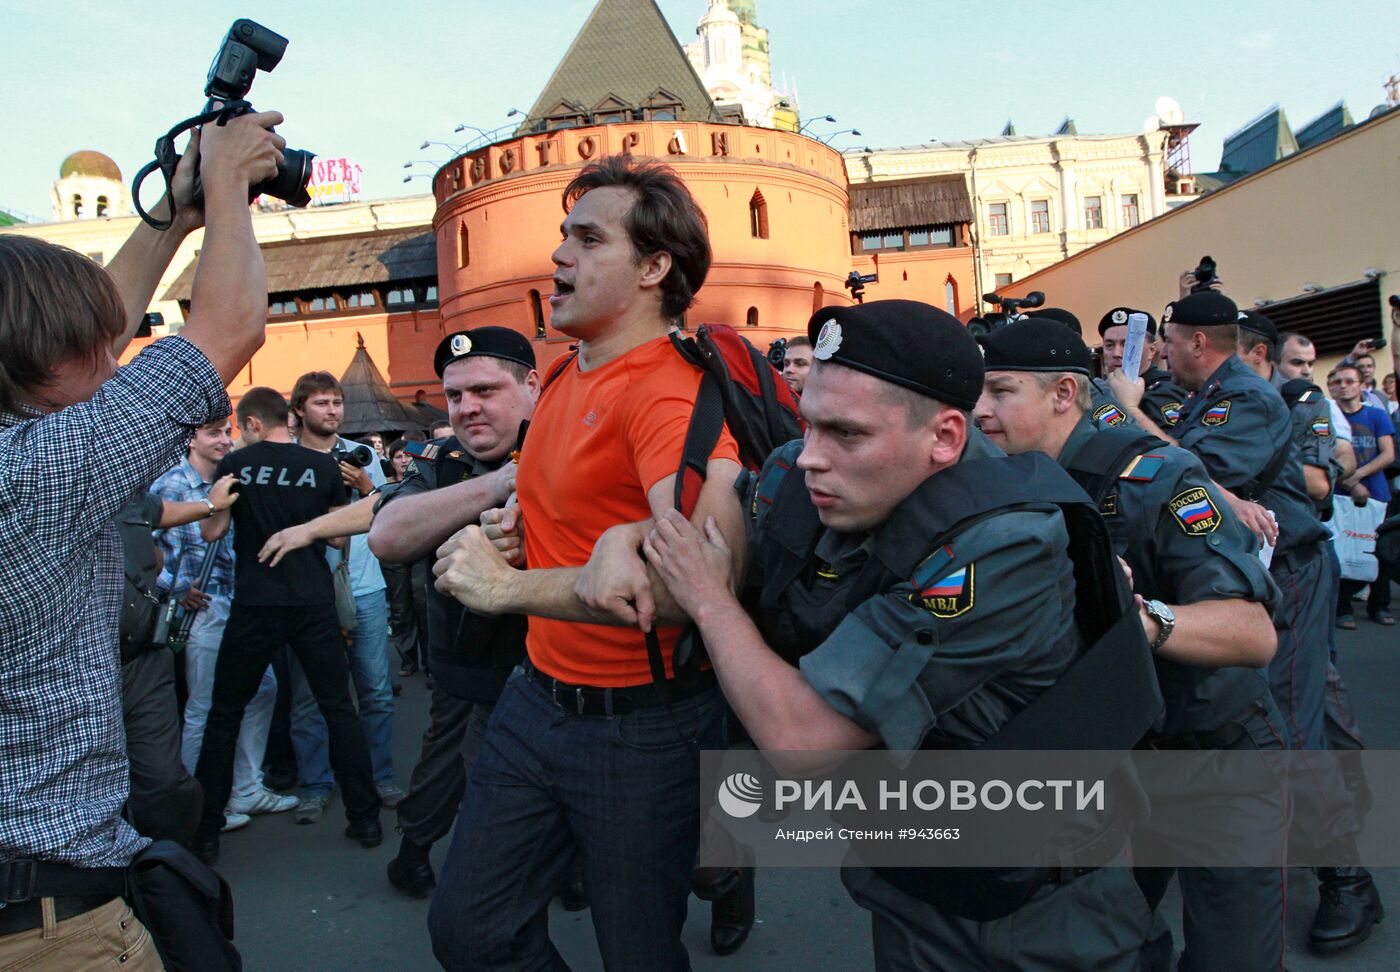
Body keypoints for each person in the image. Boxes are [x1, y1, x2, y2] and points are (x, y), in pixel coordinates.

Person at [639, 300, 1155, 970]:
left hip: (1037, 907)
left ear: (943, 438)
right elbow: (704, 512)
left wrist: (709, 602)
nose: (809, 460)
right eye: (810, 423)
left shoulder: (1007, 543)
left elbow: (805, 741)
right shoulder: (804, 478)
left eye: (846, 435)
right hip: (912, 878)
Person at [427, 155, 745, 972]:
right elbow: (571, 515)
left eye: (587, 237)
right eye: (563, 234)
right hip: (533, 704)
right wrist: (519, 536)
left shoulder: (667, 395)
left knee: (638, 954)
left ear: (652, 267)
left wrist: (506, 587)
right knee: (470, 931)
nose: (558, 255)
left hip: (640, 729)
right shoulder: (569, 371)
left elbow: (698, 588)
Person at [0, 104, 285, 967]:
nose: (115, 353)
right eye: (96, 346)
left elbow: (72, 343)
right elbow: (229, 327)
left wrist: (175, 215)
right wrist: (232, 184)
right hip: (53, 926)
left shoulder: (25, 436)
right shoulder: (36, 474)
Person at [974, 317, 1287, 971]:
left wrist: (1140, 621)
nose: (981, 411)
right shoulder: (1005, 481)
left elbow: (1253, 633)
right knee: (1107, 946)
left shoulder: (1156, 477)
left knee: (1231, 953)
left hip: (1215, 757)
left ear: (1063, 393)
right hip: (1114, 766)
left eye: (1000, 391)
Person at [1111, 290, 1382, 953]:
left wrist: (1122, 404)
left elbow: (1190, 472)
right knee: (1314, 719)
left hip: (1285, 572)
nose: (1160, 351)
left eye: (1168, 340)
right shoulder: (1192, 395)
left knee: (1284, 725)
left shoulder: (1249, 397)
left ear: (1198, 343)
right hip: (1241, 574)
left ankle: (1346, 879)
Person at [367, 327, 537, 899]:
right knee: (448, 765)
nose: (468, 408)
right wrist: (501, 483)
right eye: (456, 395)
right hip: (467, 660)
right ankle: (416, 852)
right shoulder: (441, 459)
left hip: (570, 666)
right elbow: (388, 535)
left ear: (531, 385)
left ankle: (724, 882)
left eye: (485, 390)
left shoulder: (573, 443)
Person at [191, 387, 382, 862]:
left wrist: (218, 502)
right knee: (339, 706)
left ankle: (208, 827)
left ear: (252, 422)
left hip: (256, 602)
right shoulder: (320, 466)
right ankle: (366, 817)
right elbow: (338, 537)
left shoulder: (236, 464)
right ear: (285, 419)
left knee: (224, 714)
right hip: (312, 600)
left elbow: (212, 531)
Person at [153, 416, 296, 827]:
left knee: (262, 688)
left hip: (239, 601)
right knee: (202, 706)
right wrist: (177, 588)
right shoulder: (173, 484)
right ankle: (191, 806)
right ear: (191, 439)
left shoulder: (234, 479)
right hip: (201, 609)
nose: (223, 439)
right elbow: (144, 550)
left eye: (226, 432)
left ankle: (244, 789)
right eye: (213, 433)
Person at [285, 371, 404, 819]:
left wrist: (365, 488)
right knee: (309, 696)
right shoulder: (288, 461)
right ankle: (316, 783)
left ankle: (380, 776)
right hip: (308, 596)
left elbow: (389, 516)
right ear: (300, 409)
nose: (333, 410)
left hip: (366, 590)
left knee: (374, 692)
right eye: (321, 403)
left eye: (336, 402)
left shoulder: (363, 458)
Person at [1330, 363, 1395, 627]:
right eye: (1338, 381)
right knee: (1342, 549)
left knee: (1378, 551)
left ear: (1361, 386)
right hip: (1339, 494)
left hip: (1375, 493)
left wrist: (1357, 475)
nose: (1343, 386)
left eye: (1349, 381)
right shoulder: (1329, 417)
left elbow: (1388, 454)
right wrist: (1350, 483)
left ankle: (1379, 606)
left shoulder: (1376, 416)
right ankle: (1343, 608)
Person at [1098, 307, 1186, 430]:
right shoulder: (1100, 390)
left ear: (1152, 350)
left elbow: (1169, 446)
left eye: (1126, 344)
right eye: (1109, 345)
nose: (1116, 353)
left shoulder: (1164, 392)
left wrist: (1131, 408)